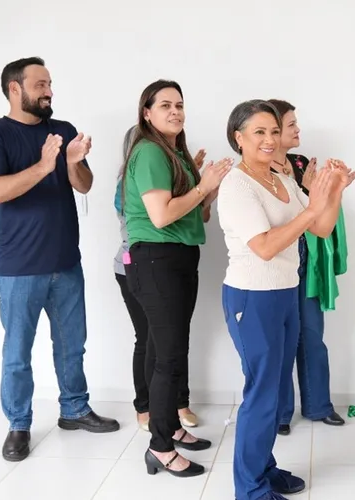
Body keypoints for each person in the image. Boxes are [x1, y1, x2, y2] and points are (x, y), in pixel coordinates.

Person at [0, 56, 120, 463]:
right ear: (14, 88)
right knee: (17, 353)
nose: (49, 91)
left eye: (50, 84)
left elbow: (84, 185)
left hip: (66, 261)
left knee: (72, 346)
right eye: (40, 85)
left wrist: (70, 163)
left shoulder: (63, 130)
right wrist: (42, 165)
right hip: (18, 268)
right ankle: (19, 424)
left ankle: (74, 409)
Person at [218, 99, 355, 500]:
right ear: (239, 138)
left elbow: (321, 226)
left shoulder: (279, 178)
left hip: (283, 294)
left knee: (275, 391)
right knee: (261, 394)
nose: (269, 139)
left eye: (274, 131)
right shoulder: (237, 185)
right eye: (259, 132)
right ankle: (249, 489)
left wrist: (335, 191)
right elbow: (264, 246)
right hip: (252, 297)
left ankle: (265, 469)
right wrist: (311, 207)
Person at [121, 79, 233, 478]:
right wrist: (204, 185)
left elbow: (195, 215)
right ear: (146, 113)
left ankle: (168, 428)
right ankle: (160, 447)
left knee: (168, 351)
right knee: (167, 356)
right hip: (156, 259)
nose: (175, 111)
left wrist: (208, 191)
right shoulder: (150, 151)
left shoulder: (175, 153)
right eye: (165, 105)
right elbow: (161, 216)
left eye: (180, 105)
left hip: (179, 257)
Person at [266, 98, 352, 436]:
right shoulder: (259, 170)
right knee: (281, 340)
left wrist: (335, 185)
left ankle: (319, 405)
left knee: (312, 334)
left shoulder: (301, 163)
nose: (297, 129)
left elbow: (318, 211)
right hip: (277, 261)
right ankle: (281, 412)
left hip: (308, 260)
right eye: (291, 124)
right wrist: (307, 190)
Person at [114, 125, 207, 431]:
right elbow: (160, 217)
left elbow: (193, 214)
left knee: (173, 342)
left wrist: (196, 185)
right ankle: (147, 410)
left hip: (172, 260)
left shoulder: (167, 172)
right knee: (151, 341)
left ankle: (176, 409)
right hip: (139, 265)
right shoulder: (134, 177)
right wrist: (197, 188)